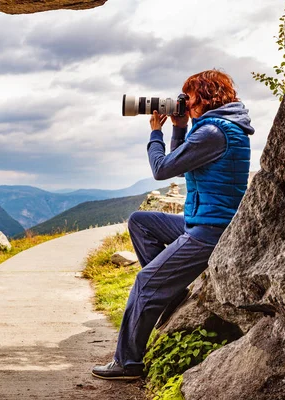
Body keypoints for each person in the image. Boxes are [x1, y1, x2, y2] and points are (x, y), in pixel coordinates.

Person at [92, 69, 254, 380]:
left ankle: (128, 363)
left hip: (209, 231)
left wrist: (156, 132)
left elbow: (162, 169)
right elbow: (182, 166)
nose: (182, 102)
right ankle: (170, 290)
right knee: (142, 222)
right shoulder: (217, 127)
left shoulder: (213, 132)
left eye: (188, 96)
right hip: (203, 221)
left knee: (144, 283)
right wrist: (179, 128)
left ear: (205, 96)